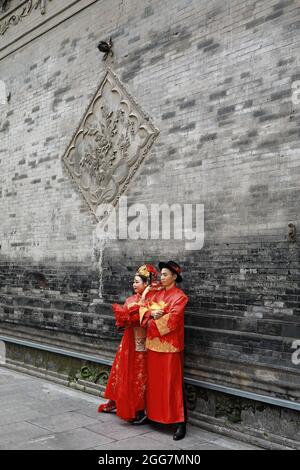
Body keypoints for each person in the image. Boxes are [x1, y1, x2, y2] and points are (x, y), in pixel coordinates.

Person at [134, 261, 189, 441]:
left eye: (166, 274)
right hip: (153, 345)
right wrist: (151, 314)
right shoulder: (155, 294)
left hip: (170, 347)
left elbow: (173, 320)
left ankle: (179, 422)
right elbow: (142, 308)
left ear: (174, 277)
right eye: (162, 274)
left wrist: (156, 317)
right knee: (155, 384)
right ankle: (152, 415)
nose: (162, 277)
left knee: (171, 384)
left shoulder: (180, 297)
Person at [97, 264, 159, 422]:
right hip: (129, 342)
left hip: (146, 344)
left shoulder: (154, 300)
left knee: (141, 375)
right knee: (125, 372)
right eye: (134, 281)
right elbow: (124, 320)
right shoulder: (131, 300)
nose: (134, 284)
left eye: (137, 282)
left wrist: (145, 298)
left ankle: (139, 408)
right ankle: (121, 402)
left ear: (146, 284)